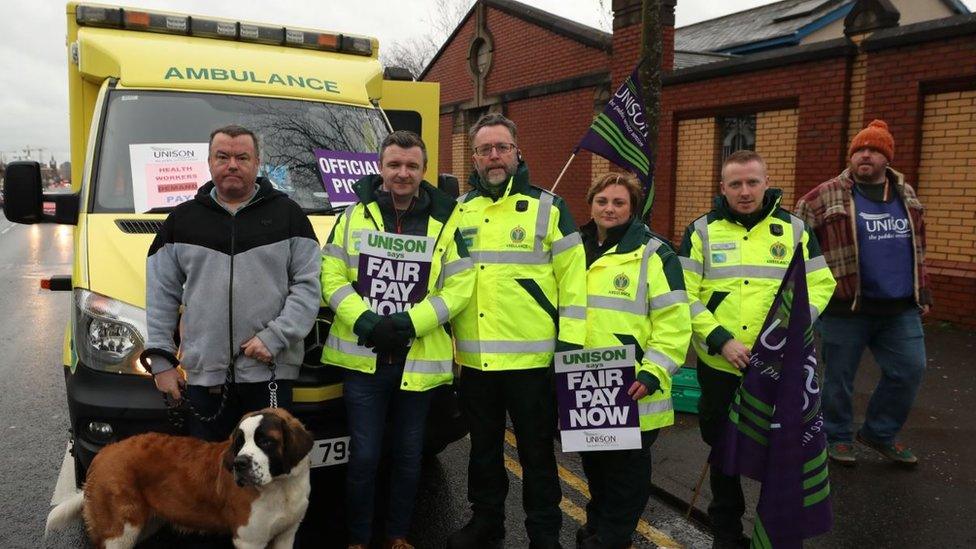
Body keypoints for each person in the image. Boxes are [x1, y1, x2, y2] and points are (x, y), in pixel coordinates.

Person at [321, 130, 475, 549]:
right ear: (381, 168)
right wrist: (368, 322)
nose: (402, 173)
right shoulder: (353, 216)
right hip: (364, 359)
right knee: (365, 458)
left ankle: (398, 536)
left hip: (417, 362)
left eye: (411, 166)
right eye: (394, 165)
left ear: (423, 171)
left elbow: (460, 287)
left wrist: (408, 325)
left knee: (409, 459)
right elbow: (330, 276)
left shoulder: (446, 223)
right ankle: (357, 539)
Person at [678, 150, 835, 548]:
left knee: (778, 450)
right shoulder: (701, 231)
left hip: (776, 368)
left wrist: (790, 333)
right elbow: (683, 295)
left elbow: (821, 284)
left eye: (752, 182)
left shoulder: (795, 230)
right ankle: (726, 535)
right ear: (722, 188)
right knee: (723, 451)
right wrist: (721, 340)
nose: (744, 192)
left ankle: (774, 531)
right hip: (721, 365)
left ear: (767, 183)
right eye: (735, 184)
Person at [447, 113, 587, 549]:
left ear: (516, 151)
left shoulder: (549, 207)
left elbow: (575, 284)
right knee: (484, 453)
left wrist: (569, 348)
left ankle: (544, 534)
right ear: (473, 157)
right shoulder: (460, 210)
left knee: (538, 456)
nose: (494, 156)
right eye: (485, 149)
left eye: (501, 147)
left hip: (533, 362)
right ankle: (486, 522)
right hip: (476, 360)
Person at [143, 123, 321, 440]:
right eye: (222, 156)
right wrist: (162, 363)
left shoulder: (289, 216)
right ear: (209, 162)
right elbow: (161, 295)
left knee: (268, 473)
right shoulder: (182, 220)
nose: (232, 165)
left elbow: (308, 288)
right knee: (208, 475)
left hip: (270, 372)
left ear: (257, 163)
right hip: (204, 378)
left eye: (242, 157)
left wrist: (275, 337)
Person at [796, 120, 931, 468]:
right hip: (845, 306)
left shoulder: (906, 194)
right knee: (839, 379)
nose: (865, 155)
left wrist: (923, 290)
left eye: (873, 150)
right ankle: (837, 435)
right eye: (859, 150)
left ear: (887, 157)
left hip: (900, 307)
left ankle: (879, 433)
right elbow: (798, 252)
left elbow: (918, 247)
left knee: (910, 370)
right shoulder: (821, 197)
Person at [577, 173, 691, 549]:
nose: (609, 208)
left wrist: (654, 370)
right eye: (602, 201)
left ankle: (613, 538)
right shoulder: (574, 248)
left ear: (633, 208)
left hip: (634, 385)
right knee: (595, 467)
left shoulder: (656, 254)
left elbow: (674, 324)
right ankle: (597, 525)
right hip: (586, 385)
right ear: (590, 204)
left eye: (618, 202)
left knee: (626, 472)